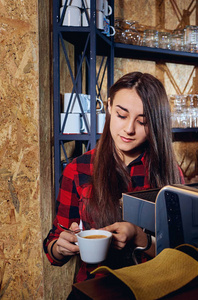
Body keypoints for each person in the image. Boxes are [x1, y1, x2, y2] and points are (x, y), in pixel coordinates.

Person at [43, 72, 185, 283]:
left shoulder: (170, 172)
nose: (129, 129)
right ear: (109, 107)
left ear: (155, 123)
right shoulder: (78, 169)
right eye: (121, 115)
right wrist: (60, 247)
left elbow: (181, 253)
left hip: (153, 286)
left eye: (142, 121)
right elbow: (54, 245)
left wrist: (140, 237)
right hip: (95, 286)